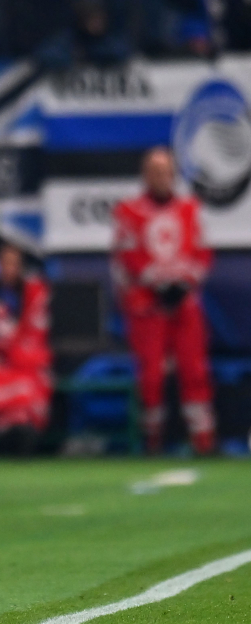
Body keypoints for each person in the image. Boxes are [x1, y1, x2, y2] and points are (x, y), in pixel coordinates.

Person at [112, 147, 215, 455]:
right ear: (145, 175)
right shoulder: (129, 212)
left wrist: (185, 284)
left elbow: (202, 252)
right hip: (148, 306)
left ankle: (204, 441)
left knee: (194, 370)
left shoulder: (189, 209)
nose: (161, 177)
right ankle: (152, 440)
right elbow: (127, 257)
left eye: (166, 171)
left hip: (184, 304)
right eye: (155, 171)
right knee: (152, 375)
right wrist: (156, 284)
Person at [0, 242, 53, 455]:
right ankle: (7, 430)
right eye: (3, 263)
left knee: (33, 375)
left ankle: (24, 430)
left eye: (14, 264)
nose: (9, 269)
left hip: (23, 355)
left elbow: (36, 331)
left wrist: (15, 349)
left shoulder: (30, 292)